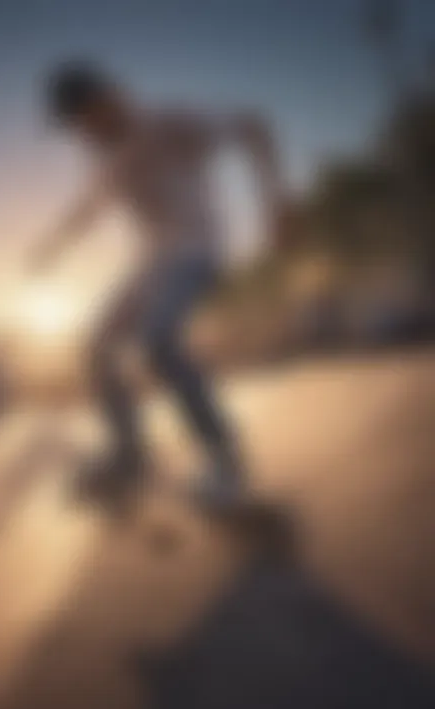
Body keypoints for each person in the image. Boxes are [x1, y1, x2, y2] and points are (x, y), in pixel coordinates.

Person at [29, 61, 282, 510]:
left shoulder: (169, 122)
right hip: (153, 266)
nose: (81, 134)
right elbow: (88, 208)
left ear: (105, 99)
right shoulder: (105, 158)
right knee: (94, 345)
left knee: (157, 340)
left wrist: (277, 203)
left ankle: (224, 457)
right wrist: (52, 246)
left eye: (81, 121)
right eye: (73, 128)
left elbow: (254, 125)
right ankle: (130, 454)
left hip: (198, 253)